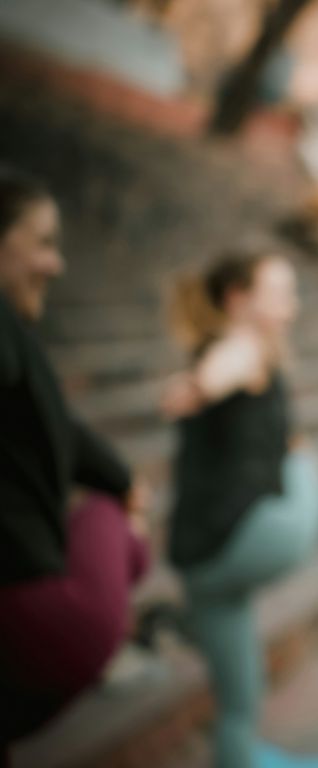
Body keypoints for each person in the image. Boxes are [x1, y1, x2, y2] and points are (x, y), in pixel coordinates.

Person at [0, 166, 149, 762]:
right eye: (41, 242)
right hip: (40, 615)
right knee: (115, 519)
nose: (57, 264)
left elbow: (65, 429)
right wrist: (124, 488)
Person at [163, 247, 318, 768]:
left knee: (239, 703)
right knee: (308, 473)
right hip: (243, 538)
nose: (291, 305)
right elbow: (224, 366)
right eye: (279, 294)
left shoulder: (247, 350)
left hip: (199, 563)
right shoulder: (242, 346)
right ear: (238, 300)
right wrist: (198, 387)